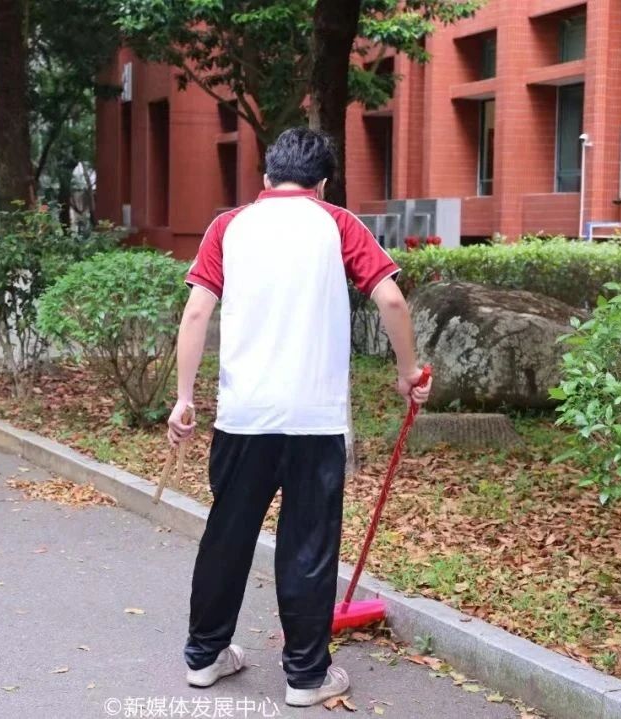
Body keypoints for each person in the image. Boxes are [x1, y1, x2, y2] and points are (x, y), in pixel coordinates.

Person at [167, 127, 432, 708]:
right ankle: (306, 677)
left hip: (243, 418)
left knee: (228, 535)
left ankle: (204, 657)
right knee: (309, 543)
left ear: (266, 177)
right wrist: (408, 372)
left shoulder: (228, 225)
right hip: (315, 420)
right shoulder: (338, 223)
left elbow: (196, 314)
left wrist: (184, 398)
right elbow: (390, 298)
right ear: (323, 183)